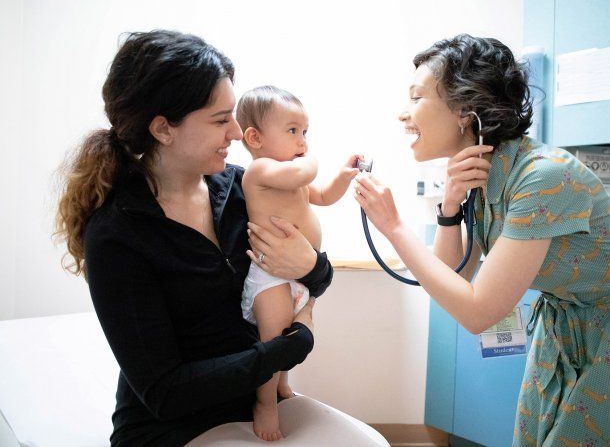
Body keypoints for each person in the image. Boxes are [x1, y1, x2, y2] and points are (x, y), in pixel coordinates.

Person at [53, 30, 385, 447]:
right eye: (220, 119)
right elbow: (165, 393)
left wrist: (313, 268)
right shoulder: (117, 235)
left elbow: (308, 276)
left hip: (252, 408)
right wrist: (288, 348)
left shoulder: (239, 189)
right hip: (172, 429)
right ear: (163, 129)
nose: (237, 132)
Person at [353, 34, 610, 446]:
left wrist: (393, 226)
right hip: (565, 319)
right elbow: (454, 276)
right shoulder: (481, 174)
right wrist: (450, 206)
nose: (403, 114)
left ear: (465, 110)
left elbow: (478, 312)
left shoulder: (543, 176)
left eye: (417, 97)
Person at [235, 85, 361, 440]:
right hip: (270, 275)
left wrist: (343, 176)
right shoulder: (260, 171)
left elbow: (322, 195)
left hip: (297, 274)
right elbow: (303, 175)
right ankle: (264, 403)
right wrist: (311, 161)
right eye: (292, 131)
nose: (302, 141)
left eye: (305, 132)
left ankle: (281, 384)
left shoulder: (293, 175)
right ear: (255, 138)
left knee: (291, 332)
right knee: (273, 340)